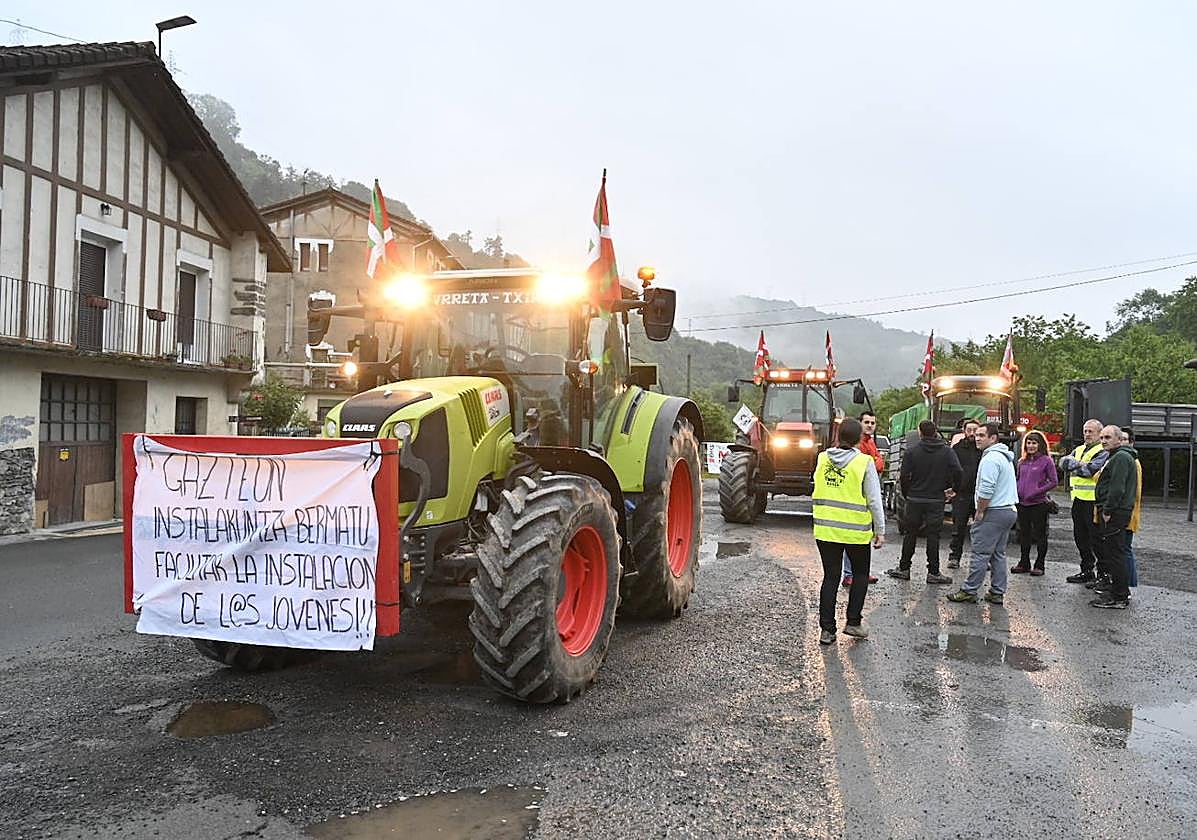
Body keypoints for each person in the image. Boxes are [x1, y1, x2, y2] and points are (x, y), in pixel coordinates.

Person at [813, 417, 886, 645]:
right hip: (855, 532)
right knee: (860, 575)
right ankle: (853, 623)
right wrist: (880, 529)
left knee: (831, 577)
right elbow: (874, 500)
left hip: (826, 531)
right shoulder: (864, 462)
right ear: (858, 439)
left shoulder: (822, 458)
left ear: (838, 436)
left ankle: (827, 630)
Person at [947, 423, 1018, 605]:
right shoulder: (1004, 457)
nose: (977, 438)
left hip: (993, 512)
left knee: (980, 553)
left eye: (981, 435)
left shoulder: (990, 460)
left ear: (993, 438)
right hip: (1008, 510)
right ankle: (997, 591)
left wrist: (980, 511)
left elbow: (987, 488)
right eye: (976, 435)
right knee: (998, 553)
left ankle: (969, 590)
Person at [886, 420, 961, 585]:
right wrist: (953, 489)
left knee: (910, 534)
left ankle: (904, 568)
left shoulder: (912, 452)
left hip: (915, 498)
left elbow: (904, 476)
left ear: (920, 433)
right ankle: (933, 572)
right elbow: (958, 470)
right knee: (933, 536)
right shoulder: (947, 452)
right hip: (936, 499)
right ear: (935, 432)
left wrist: (908, 493)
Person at [1090, 425, 1138, 609]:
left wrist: (1108, 510)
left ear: (1119, 439)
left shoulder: (1121, 457)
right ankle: (1117, 592)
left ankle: (1119, 596)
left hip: (1115, 513)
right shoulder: (1116, 456)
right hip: (1115, 511)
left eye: (1108, 437)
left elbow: (1117, 487)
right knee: (1113, 553)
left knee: (1115, 554)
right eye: (1102, 437)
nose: (1103, 441)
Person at [1060, 419, 1109, 584]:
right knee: (1080, 537)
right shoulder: (1079, 449)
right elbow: (1063, 463)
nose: (1087, 434)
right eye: (1085, 431)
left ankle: (1103, 574)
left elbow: (1090, 471)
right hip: (1078, 500)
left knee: (1097, 539)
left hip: (1093, 501)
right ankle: (1087, 570)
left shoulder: (1102, 451)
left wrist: (1076, 466)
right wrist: (1081, 465)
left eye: (1091, 432)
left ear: (1099, 434)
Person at [842, 410, 885, 588]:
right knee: (853, 537)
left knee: (862, 537)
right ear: (859, 424)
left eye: (872, 423)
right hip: (857, 497)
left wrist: (876, 462)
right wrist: (875, 462)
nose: (870, 425)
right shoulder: (859, 445)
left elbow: (879, 462)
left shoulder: (870, 442)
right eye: (866, 422)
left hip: (864, 498)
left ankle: (860, 572)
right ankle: (849, 574)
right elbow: (872, 464)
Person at [1012, 430, 1057, 575]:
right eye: (1028, 443)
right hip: (1022, 503)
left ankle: (1040, 565)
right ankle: (1024, 562)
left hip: (1039, 503)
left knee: (1040, 535)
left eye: (1034, 443)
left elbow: (1053, 481)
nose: (1031, 446)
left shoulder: (1046, 461)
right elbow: (1018, 479)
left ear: (1040, 445)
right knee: (1023, 534)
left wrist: (1037, 491)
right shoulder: (1022, 462)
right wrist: (1017, 492)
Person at [947, 420, 982, 569]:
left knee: (981, 529)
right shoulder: (957, 449)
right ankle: (954, 557)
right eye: (969, 430)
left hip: (980, 495)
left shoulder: (984, 450)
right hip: (961, 494)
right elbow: (950, 470)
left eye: (975, 430)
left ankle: (981, 559)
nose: (972, 433)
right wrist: (952, 488)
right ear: (964, 431)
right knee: (958, 528)